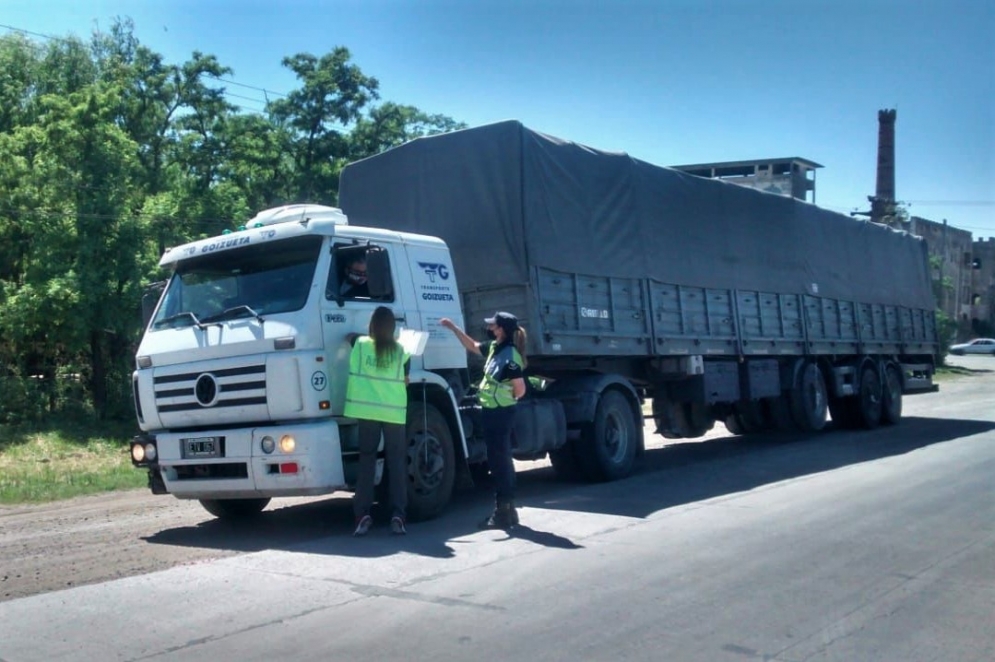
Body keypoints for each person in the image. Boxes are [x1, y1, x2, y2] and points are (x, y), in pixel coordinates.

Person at [440, 311, 527, 529]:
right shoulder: (494, 349)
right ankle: (508, 512)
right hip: (492, 412)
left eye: (493, 325)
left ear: (502, 329)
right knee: (498, 461)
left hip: (501, 413)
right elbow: (473, 346)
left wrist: (505, 399)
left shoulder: (510, 356)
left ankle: (504, 512)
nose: (490, 327)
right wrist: (454, 329)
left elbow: (521, 389)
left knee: (500, 463)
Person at [344, 306, 411, 536]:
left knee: (367, 462)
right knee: (397, 463)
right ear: (392, 327)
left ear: (372, 325)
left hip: (368, 412)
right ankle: (398, 515)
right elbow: (406, 379)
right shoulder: (401, 350)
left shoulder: (361, 345)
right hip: (393, 413)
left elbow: (350, 337)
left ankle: (362, 514)